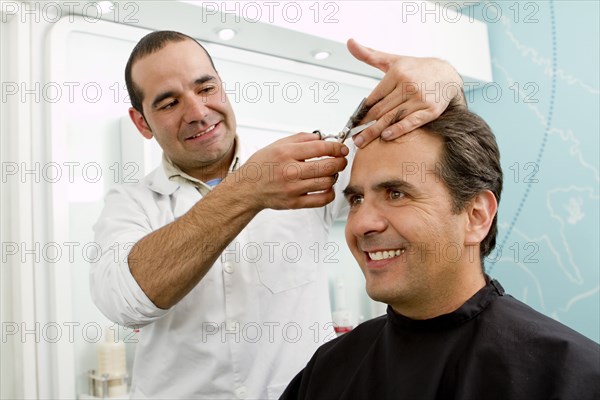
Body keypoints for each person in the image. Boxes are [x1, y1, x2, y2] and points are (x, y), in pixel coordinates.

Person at [90, 30, 466, 399]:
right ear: (141, 122)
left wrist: (444, 79)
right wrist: (249, 189)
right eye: (169, 103)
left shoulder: (304, 164)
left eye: (206, 89)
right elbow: (126, 301)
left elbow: (421, 146)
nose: (198, 113)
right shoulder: (130, 202)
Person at [280, 106, 600, 400]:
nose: (361, 224)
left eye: (396, 193)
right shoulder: (327, 369)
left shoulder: (572, 377)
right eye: (357, 200)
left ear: (476, 216)